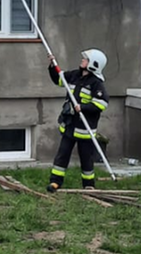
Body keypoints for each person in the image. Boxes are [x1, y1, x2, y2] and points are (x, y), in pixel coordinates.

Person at [46, 49, 109, 193]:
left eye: (85, 59)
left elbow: (102, 103)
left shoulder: (96, 83)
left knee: (86, 158)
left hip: (84, 129)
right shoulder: (74, 75)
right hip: (69, 125)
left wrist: (84, 107)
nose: (82, 60)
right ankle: (55, 182)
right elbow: (59, 80)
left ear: (93, 64)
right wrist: (52, 66)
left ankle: (88, 184)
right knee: (62, 155)